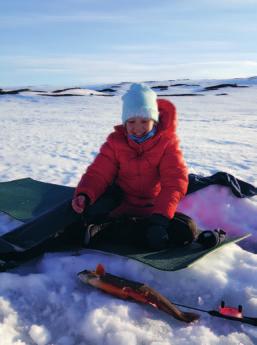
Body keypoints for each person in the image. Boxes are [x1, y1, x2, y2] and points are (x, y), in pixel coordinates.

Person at [72, 83, 197, 250]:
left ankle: (108, 230)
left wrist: (160, 220)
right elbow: (98, 174)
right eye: (131, 121)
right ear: (124, 122)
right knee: (85, 211)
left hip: (154, 209)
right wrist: (84, 195)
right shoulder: (115, 143)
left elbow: (174, 183)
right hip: (120, 205)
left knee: (187, 230)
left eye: (144, 121)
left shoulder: (167, 144)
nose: (138, 129)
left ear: (154, 120)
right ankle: (111, 229)